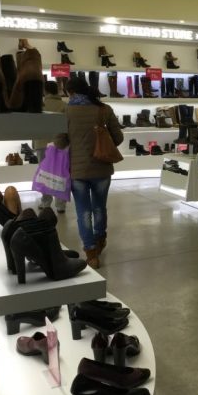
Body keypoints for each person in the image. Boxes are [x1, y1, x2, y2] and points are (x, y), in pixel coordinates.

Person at [66, 77, 123, 269]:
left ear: (70, 92)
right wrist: (102, 143)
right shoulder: (104, 109)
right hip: (102, 167)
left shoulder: (65, 111)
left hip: (78, 170)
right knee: (99, 207)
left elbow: (59, 141)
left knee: (83, 212)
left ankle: (91, 254)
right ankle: (100, 240)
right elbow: (119, 137)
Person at [34, 80, 67, 212]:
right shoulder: (64, 105)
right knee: (60, 173)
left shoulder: (40, 105)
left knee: (44, 174)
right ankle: (60, 205)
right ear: (57, 90)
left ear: (45, 91)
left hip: (42, 143)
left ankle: (46, 202)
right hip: (60, 144)